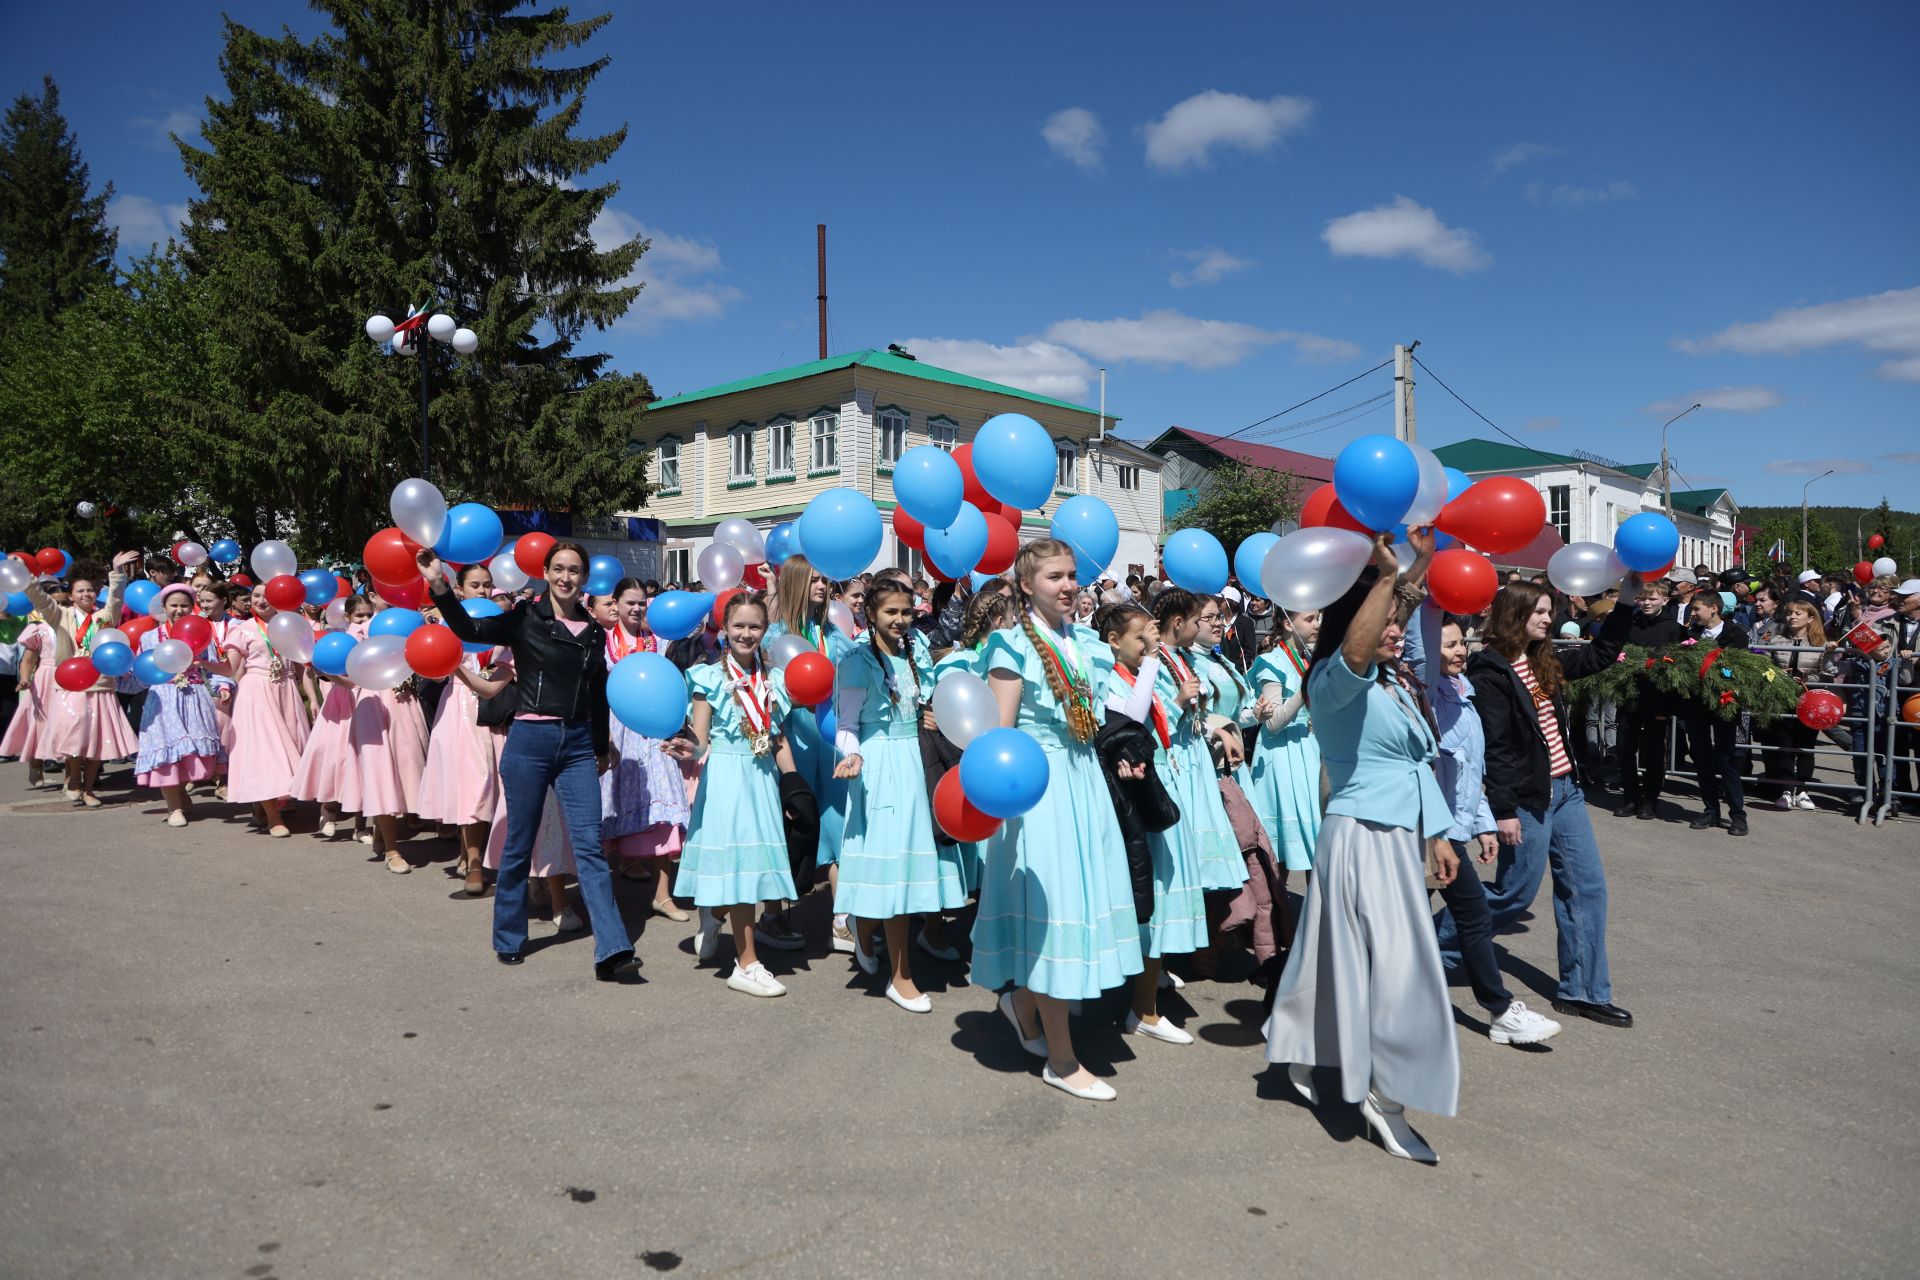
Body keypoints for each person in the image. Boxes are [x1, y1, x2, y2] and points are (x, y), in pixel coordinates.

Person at [1264, 533, 1459, 1163]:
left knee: (1333, 954)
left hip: (1399, 834)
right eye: (1387, 623)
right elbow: (1354, 647)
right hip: (1361, 835)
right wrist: (1383, 577)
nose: (1398, 631)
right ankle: (1385, 1095)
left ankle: (1296, 1044)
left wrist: (1416, 566)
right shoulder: (1331, 681)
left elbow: (1413, 763)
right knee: (1397, 967)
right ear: (1357, 624)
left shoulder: (1392, 677)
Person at [975, 538, 1143, 1101]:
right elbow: (1001, 736)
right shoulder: (1009, 645)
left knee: (1080, 903)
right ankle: (1063, 1061)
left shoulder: (1088, 644)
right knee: (1054, 913)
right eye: (1054, 577)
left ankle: (1023, 1006)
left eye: (1072, 575)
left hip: (1082, 782)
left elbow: (1098, 717)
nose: (1068, 585)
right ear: (1027, 585)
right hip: (1037, 790)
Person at [425, 541, 638, 981]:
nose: (566, 577)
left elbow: (597, 696)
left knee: (589, 848)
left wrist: (601, 746)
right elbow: (471, 630)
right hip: (530, 740)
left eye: (574, 570)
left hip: (578, 745)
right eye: (559, 569)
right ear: (545, 572)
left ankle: (613, 947)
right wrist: (440, 587)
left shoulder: (594, 630)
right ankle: (508, 935)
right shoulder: (525, 617)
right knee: (520, 841)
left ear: (584, 577)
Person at [1440, 577, 1636, 1030]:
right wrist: (1503, 810)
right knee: (1514, 893)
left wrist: (1624, 604)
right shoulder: (1488, 672)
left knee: (1587, 889)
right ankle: (1421, 943)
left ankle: (1584, 992)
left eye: (1551, 611)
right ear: (1516, 616)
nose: (1550, 619)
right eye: (1541, 613)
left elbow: (1601, 655)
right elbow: (1497, 748)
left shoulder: (1542, 660)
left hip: (1566, 791)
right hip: (1527, 799)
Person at [1401, 586, 1562, 1047]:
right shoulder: (1427, 693)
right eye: (1447, 645)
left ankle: (1498, 1011)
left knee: (1468, 914)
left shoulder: (1464, 691)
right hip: (1422, 830)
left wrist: (1485, 822)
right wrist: (1423, 588)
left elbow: (1474, 768)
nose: (1456, 652)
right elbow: (1419, 647)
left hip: (1451, 829)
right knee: (1402, 918)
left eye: (1459, 643)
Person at [831, 578, 958, 1013]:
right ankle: (900, 976)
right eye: (891, 613)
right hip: (880, 765)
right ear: (871, 615)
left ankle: (865, 932)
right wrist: (851, 758)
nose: (901, 621)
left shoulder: (916, 651)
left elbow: (924, 700)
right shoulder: (855, 663)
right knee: (891, 864)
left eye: (906, 612)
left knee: (903, 862)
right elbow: (847, 725)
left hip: (915, 761)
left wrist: (933, 717)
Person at [675, 591, 799, 998]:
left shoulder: (775, 679)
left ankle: (714, 912)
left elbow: (776, 736)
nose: (746, 634)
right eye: (739, 626)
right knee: (743, 869)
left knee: (754, 867)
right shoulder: (708, 677)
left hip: (762, 777)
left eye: (755, 626)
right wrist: (686, 749)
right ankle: (746, 964)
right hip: (727, 778)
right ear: (724, 629)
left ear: (765, 630)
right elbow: (700, 739)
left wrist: (794, 782)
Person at [1098, 601, 1207, 1045]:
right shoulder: (1111, 678)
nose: (1151, 641)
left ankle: (1150, 985)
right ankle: (1142, 1009)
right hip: (1134, 797)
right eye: (1141, 635)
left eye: (1152, 633)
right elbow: (1132, 716)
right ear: (1113, 642)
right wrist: (1149, 663)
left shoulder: (1137, 673)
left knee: (1164, 889)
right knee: (1153, 894)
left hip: (1157, 782)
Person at [764, 554, 852, 952]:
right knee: (794, 828)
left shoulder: (834, 634)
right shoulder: (774, 637)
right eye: (815, 580)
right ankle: (774, 916)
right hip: (793, 745)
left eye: (826, 580)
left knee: (838, 827)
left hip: (830, 744)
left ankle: (842, 920)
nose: (823, 586)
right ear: (798, 583)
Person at [416, 564, 514, 894]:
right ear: (460, 590)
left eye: (487, 585)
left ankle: (483, 853)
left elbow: (507, 670)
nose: (483, 591)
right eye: (475, 585)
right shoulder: (447, 625)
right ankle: (473, 859)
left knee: (497, 784)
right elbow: (434, 673)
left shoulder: (504, 627)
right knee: (471, 782)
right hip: (458, 709)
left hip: (496, 713)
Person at [597, 579, 691, 920]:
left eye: (642, 604)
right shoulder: (601, 642)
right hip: (615, 733)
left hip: (655, 732)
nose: (636, 609)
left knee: (663, 811)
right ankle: (603, 898)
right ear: (616, 605)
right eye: (630, 603)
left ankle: (662, 895)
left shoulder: (658, 640)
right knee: (610, 809)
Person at [21, 552, 141, 806]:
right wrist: (29, 579)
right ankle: (73, 779)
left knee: (98, 738)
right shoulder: (60, 615)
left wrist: (117, 571)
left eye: (90, 590)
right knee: (74, 735)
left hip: (100, 685)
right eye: (80, 591)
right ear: (71, 594)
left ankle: (89, 788)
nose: (86, 594)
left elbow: (116, 599)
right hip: (71, 685)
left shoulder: (104, 617)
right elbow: (41, 600)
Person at [1150, 589, 1246, 898]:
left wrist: (1218, 732)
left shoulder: (1182, 657)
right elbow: (1151, 716)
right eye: (1196, 621)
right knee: (1183, 838)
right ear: (1178, 623)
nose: (1201, 627)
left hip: (1194, 755)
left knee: (1204, 846)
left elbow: (1197, 715)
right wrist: (1178, 701)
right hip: (1174, 757)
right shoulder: (1155, 659)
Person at [134, 585, 229, 827]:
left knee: (188, 752)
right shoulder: (149, 637)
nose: (179, 610)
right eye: (173, 605)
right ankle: (173, 806)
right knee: (166, 750)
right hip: (162, 700)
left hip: (195, 696)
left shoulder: (202, 632)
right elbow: (141, 670)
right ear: (164, 608)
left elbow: (213, 666)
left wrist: (223, 686)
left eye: (184, 605)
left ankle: (182, 795)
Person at [1246, 607, 1323, 882]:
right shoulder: (1272, 661)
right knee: (1279, 857)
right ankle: (1278, 920)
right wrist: (1305, 690)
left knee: (1320, 849)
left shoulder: (1307, 658)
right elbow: (1273, 723)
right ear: (1289, 624)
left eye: (1318, 618)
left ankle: (1319, 918)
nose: (1317, 624)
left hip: (1309, 750)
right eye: (1310, 618)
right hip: (1282, 757)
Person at [291, 595, 373, 842]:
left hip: (366, 699)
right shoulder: (339, 640)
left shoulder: (374, 639)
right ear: (347, 618)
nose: (364, 620)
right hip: (340, 703)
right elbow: (316, 670)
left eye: (369, 615)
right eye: (359, 616)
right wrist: (316, 697)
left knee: (362, 761)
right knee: (335, 757)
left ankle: (361, 825)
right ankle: (328, 811)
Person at [1612, 578, 1687, 820]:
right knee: (1624, 747)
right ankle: (1630, 796)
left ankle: (1649, 799)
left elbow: (1677, 664)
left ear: (1665, 600)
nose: (1646, 603)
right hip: (1630, 694)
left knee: (1653, 751)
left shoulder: (1673, 628)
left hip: (1657, 698)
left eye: (1652, 598)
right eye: (1642, 598)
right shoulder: (1632, 623)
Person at [1681, 590, 1750, 835]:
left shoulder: (1735, 634)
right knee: (1701, 756)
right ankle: (1710, 809)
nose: (1693, 613)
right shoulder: (1690, 634)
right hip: (1696, 704)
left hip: (1725, 702)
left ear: (1713, 608)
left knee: (1727, 759)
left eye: (1697, 608)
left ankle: (1737, 814)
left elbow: (1740, 666)